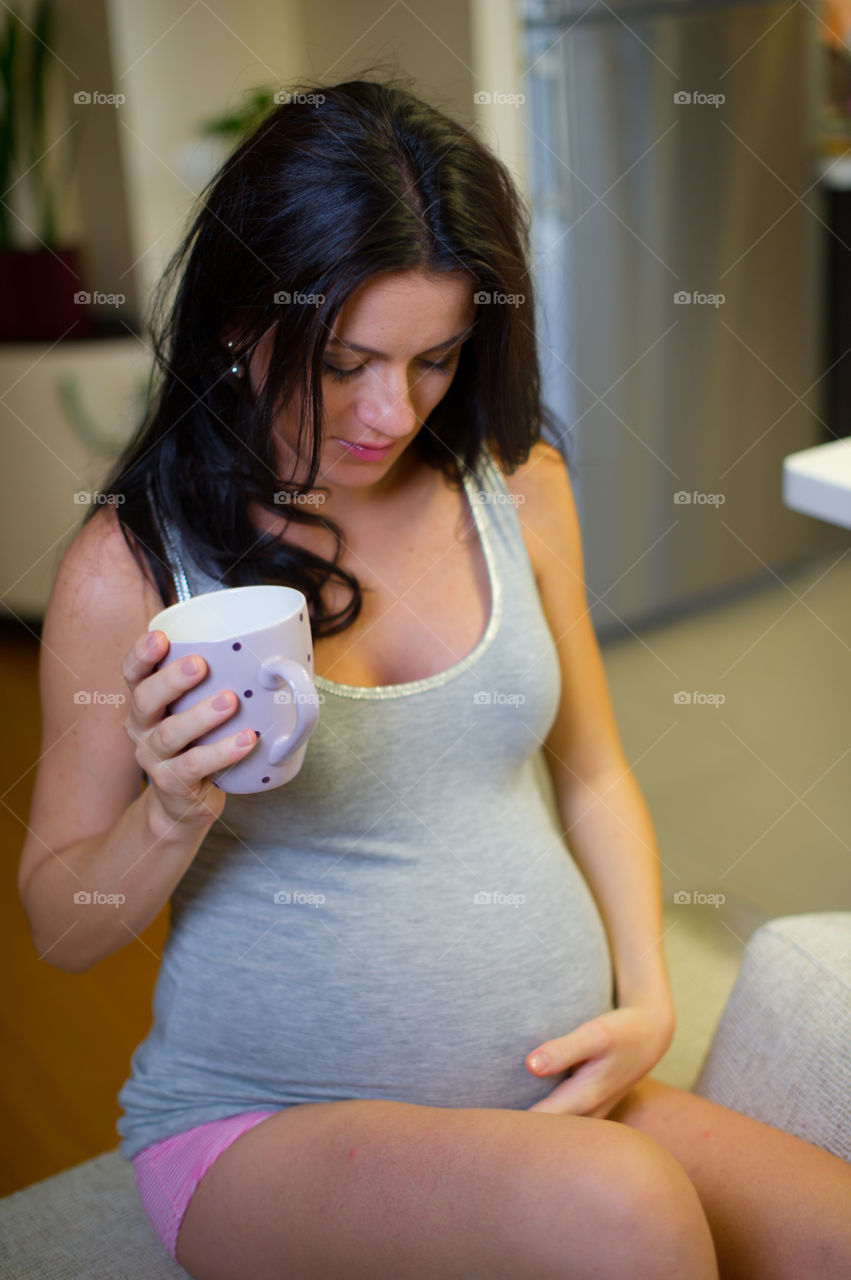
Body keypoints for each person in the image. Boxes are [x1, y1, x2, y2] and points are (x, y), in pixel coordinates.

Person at [17, 76, 850, 1280]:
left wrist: (648, 997)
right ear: (240, 321)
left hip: (543, 1101)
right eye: (345, 359)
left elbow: (595, 772)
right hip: (263, 1123)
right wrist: (167, 809)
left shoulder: (516, 487)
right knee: (625, 1210)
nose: (387, 411)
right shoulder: (130, 567)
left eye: (434, 359)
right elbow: (59, 925)